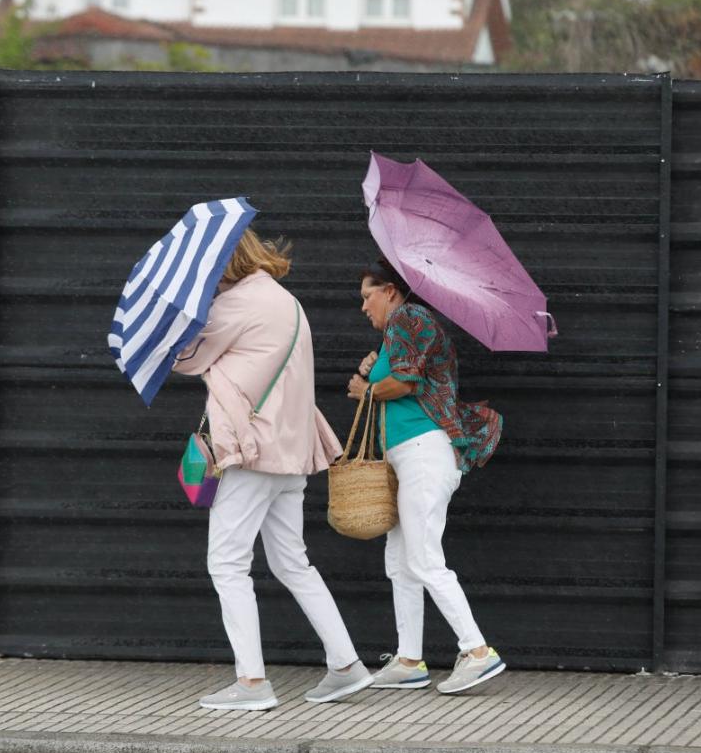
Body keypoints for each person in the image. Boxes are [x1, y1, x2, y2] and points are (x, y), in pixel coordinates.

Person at [174, 229, 374, 711]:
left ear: (225, 263)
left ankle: (251, 683)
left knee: (227, 563)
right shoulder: (289, 302)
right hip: (290, 453)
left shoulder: (235, 305)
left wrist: (188, 317)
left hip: (253, 452)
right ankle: (346, 665)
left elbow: (186, 360)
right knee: (292, 562)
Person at [347, 257, 505, 695]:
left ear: (391, 291)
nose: (363, 307)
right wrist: (373, 368)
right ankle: (409, 660)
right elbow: (403, 373)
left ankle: (477, 651)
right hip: (406, 456)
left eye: (367, 296)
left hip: (424, 453)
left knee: (422, 557)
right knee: (400, 562)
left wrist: (368, 388)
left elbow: (406, 383)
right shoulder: (399, 329)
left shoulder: (410, 316)